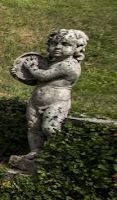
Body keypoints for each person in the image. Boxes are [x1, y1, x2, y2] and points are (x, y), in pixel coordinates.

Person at [21, 28, 88, 159]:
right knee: (33, 127)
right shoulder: (51, 63)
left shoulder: (69, 65)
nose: (57, 47)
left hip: (57, 102)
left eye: (65, 44)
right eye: (54, 44)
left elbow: (44, 76)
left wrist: (31, 68)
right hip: (36, 100)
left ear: (77, 48)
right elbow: (35, 80)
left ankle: (56, 154)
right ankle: (35, 151)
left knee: (50, 127)